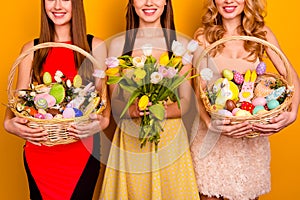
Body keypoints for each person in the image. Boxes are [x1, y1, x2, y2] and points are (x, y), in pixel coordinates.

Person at [190, 0, 300, 200]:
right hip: (213, 139)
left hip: (249, 143)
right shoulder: (202, 37)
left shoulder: (261, 34)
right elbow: (197, 91)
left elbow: (289, 75)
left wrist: (292, 114)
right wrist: (209, 122)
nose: (229, 0)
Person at [3, 0, 110, 199]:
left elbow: (103, 104)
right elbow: (16, 104)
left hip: (83, 152)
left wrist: (101, 123)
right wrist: (9, 125)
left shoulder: (95, 46)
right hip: (40, 153)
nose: (57, 6)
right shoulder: (31, 49)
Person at [100, 0, 200, 199]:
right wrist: (134, 111)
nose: (148, 3)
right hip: (130, 139)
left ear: (165, 2)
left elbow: (186, 102)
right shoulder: (118, 45)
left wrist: (159, 110)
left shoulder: (181, 45)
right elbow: (115, 104)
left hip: (170, 140)